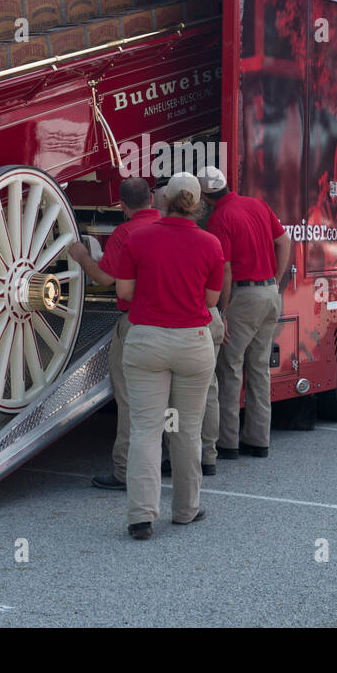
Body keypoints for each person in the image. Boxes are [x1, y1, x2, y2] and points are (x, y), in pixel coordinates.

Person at [110, 172, 224, 539]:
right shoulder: (210, 244)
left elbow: (124, 293)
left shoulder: (138, 238)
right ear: (198, 203)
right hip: (192, 342)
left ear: (163, 200)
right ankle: (186, 510)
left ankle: (141, 517)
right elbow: (211, 301)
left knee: (146, 430)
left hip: (146, 340)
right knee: (186, 431)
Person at [68, 177, 162, 490]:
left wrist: (81, 255)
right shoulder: (168, 228)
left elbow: (106, 279)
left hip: (137, 324)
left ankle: (124, 471)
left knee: (129, 400)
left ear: (121, 205)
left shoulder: (126, 232)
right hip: (175, 325)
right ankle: (171, 459)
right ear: (151, 198)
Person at [199, 165, 292, 460]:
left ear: (204, 196)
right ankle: (258, 439)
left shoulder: (219, 218)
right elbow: (284, 241)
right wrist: (275, 282)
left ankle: (228, 443)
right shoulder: (256, 204)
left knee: (229, 369)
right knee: (259, 369)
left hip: (243, 296)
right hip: (269, 294)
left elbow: (224, 269)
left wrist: (222, 311)